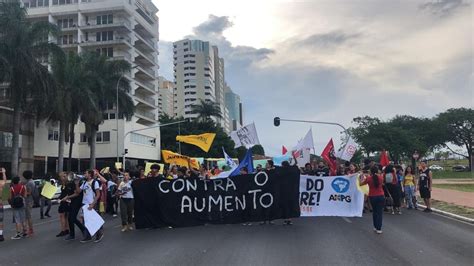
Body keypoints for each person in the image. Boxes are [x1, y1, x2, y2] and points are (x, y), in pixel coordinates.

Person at [360, 166, 384, 234]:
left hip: (372, 196)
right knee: (379, 213)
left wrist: (362, 176)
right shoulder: (381, 178)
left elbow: (361, 184)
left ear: (371, 171)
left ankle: (375, 226)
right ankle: (379, 228)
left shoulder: (369, 178)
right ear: (377, 171)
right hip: (381, 195)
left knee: (375, 212)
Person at [61, 173, 86, 241]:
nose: (63, 178)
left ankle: (84, 230)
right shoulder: (68, 184)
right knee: (70, 218)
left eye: (64, 176)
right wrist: (65, 198)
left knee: (72, 218)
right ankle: (72, 234)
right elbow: (68, 193)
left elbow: (76, 193)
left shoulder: (76, 183)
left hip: (77, 202)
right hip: (72, 202)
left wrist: (67, 197)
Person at [56, 172, 71, 237]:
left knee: (62, 215)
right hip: (63, 201)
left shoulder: (68, 184)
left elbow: (68, 194)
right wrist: (59, 198)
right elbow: (62, 193)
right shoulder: (63, 184)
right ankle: (66, 229)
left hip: (66, 201)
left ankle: (63, 230)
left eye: (64, 176)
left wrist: (61, 199)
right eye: (61, 177)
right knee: (65, 216)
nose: (62, 178)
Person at [22, 170, 36, 236]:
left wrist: (22, 193)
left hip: (28, 201)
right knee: (27, 216)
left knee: (28, 216)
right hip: (28, 200)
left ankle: (30, 230)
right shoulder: (30, 182)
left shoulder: (30, 183)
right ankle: (27, 229)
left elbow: (29, 193)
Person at [0, 167, 7, 241]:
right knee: (0, 221)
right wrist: (4, 172)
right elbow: (5, 181)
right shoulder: (1, 185)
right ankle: (1, 235)